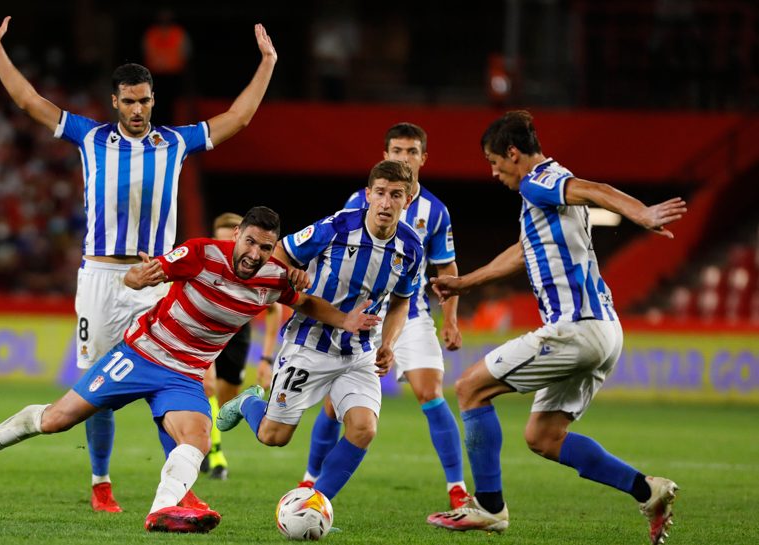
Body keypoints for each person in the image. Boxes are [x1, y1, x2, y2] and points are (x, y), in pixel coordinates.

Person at [0, 6, 278, 513]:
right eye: (130, 101)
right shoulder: (90, 137)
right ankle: (100, 481)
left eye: (146, 101)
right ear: (115, 102)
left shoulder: (174, 143)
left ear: (154, 100)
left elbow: (239, 118)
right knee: (94, 388)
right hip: (100, 277)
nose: (139, 110)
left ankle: (182, 491)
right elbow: (28, 100)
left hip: (157, 277)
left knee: (179, 379)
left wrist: (266, 61)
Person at [0, 206, 381, 533]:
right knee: (55, 420)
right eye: (249, 242)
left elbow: (305, 302)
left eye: (265, 247)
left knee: (199, 437)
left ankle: (163, 509)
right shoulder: (202, 253)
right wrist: (137, 277)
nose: (255, 253)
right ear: (237, 237)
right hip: (141, 355)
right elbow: (143, 274)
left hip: (185, 373)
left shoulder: (275, 279)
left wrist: (347, 320)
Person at [426, 111, 684, 545]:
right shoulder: (545, 194)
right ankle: (648, 491)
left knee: (470, 388)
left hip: (575, 328)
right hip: (605, 332)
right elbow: (524, 251)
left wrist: (641, 213)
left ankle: (489, 508)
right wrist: (464, 284)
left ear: (513, 153)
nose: (494, 172)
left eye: (494, 161)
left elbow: (595, 190)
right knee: (543, 437)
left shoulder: (536, 180)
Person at [217, 160, 424, 505]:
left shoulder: (412, 248)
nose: (387, 203)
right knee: (273, 436)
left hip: (359, 351)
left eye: (397, 195)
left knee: (363, 428)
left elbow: (402, 301)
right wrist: (292, 275)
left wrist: (388, 343)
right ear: (369, 195)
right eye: (382, 194)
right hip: (309, 343)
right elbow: (282, 251)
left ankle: (314, 506)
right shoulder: (338, 227)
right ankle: (250, 402)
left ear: (408, 199)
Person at [300, 122, 468, 510]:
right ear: (384, 156)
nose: (403, 158)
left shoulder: (436, 212)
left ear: (423, 158)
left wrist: (452, 319)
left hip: (410, 313)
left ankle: (457, 488)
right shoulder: (359, 200)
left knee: (430, 392)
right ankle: (309, 479)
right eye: (396, 151)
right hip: (358, 314)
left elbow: (447, 269)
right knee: (334, 404)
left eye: (411, 152)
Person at [201, 212, 283, 480]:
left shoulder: (256, 270)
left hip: (236, 335)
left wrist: (267, 359)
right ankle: (214, 455)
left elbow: (274, 310)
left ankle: (210, 443)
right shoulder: (204, 263)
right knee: (207, 385)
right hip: (202, 333)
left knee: (224, 405)